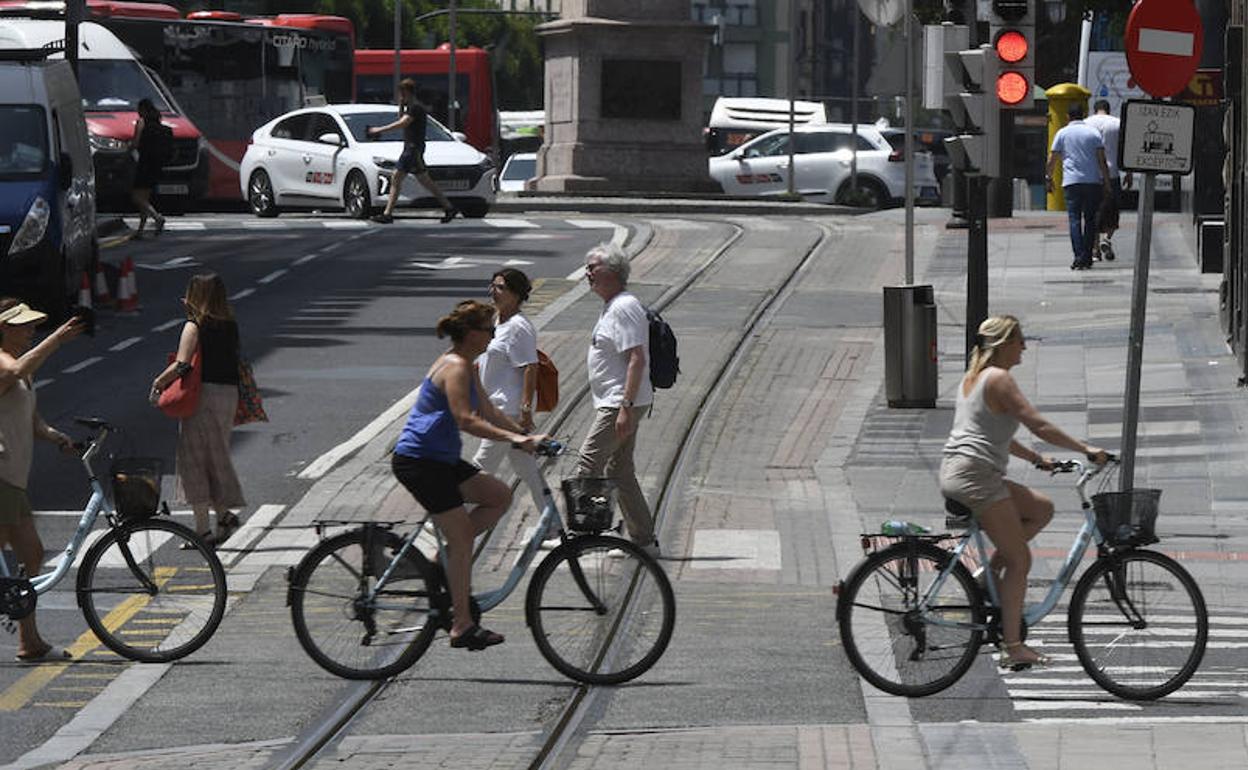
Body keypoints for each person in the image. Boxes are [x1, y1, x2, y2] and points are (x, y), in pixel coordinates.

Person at [939, 315, 1107, 670]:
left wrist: (1036, 459)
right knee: (1020, 561)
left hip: (963, 471)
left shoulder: (974, 377)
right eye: (1020, 340)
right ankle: (1013, 646)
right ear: (1004, 344)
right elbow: (1038, 424)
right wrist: (1086, 449)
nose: (1025, 347)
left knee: (1041, 508)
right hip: (976, 477)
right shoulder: (999, 379)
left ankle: (984, 579)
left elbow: (993, 433)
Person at [392, 300, 546, 650]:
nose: (493, 335)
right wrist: (513, 440)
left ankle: (440, 562)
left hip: (441, 459)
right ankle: (461, 625)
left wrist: (524, 435)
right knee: (462, 538)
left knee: (499, 496)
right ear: (472, 333)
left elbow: (488, 410)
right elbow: (466, 419)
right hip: (420, 461)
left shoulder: (469, 365)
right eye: (489, 330)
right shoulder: (454, 367)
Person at [0, 299, 83, 662]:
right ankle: (28, 640)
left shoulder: (23, 369)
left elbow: (32, 420)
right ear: (4, 328)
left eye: (34, 325)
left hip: (13, 478)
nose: (32, 330)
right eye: (24, 325)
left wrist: (56, 436)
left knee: (31, 556)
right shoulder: (5, 363)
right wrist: (57, 340)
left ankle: (29, 641)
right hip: (1, 475)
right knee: (21, 558)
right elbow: (16, 370)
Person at [575, 242, 658, 558]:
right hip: (621, 400)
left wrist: (625, 407)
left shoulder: (624, 306)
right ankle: (643, 540)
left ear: (612, 271)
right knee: (619, 470)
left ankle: (583, 535)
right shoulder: (614, 305)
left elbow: (637, 358)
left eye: (592, 267)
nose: (587, 273)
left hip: (620, 401)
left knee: (589, 463)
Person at [149, 273, 245, 546]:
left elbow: (182, 364)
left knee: (194, 463)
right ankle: (223, 517)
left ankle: (202, 532)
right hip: (228, 395)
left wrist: (159, 383)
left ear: (195, 296)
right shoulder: (230, 324)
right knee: (215, 457)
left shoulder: (194, 326)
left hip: (203, 397)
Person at [471, 269, 548, 519]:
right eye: (492, 286)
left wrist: (525, 411)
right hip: (495, 406)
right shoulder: (497, 321)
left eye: (501, 287)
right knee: (528, 471)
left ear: (516, 294)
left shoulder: (519, 326)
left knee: (481, 466)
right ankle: (553, 523)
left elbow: (530, 367)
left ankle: (449, 519)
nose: (493, 291)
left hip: (509, 411)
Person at [366, 79, 458, 224]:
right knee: (424, 181)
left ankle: (388, 214)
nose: (400, 96)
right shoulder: (411, 107)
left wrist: (379, 130)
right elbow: (402, 118)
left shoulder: (416, 108)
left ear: (406, 92)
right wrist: (401, 105)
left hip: (412, 149)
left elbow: (403, 123)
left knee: (397, 178)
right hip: (412, 148)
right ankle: (449, 207)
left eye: (401, 93)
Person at [1045, 103, 1111, 271]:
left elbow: (1052, 159)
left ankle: (1078, 256)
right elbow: (1102, 160)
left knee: (1074, 219)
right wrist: (1107, 182)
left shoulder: (1062, 133)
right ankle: (1088, 257)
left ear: (1068, 116)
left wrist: (1048, 178)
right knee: (1090, 220)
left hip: (1071, 182)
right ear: (1083, 115)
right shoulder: (1093, 133)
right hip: (1092, 182)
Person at [1084, 100, 1130, 262]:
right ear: (1108, 110)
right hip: (1113, 174)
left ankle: (1095, 249)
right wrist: (1129, 173)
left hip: (1092, 175)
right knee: (1113, 210)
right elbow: (1126, 149)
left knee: (1093, 212)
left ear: (1095, 109)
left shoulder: (1086, 124)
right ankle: (1107, 239)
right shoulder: (1117, 123)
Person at [130, 98, 167, 239]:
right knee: (144, 199)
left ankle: (157, 217)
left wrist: (128, 149)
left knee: (136, 197)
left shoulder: (141, 122)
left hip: (144, 163)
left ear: (143, 110)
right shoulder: (157, 123)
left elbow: (136, 143)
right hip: (156, 165)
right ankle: (140, 230)